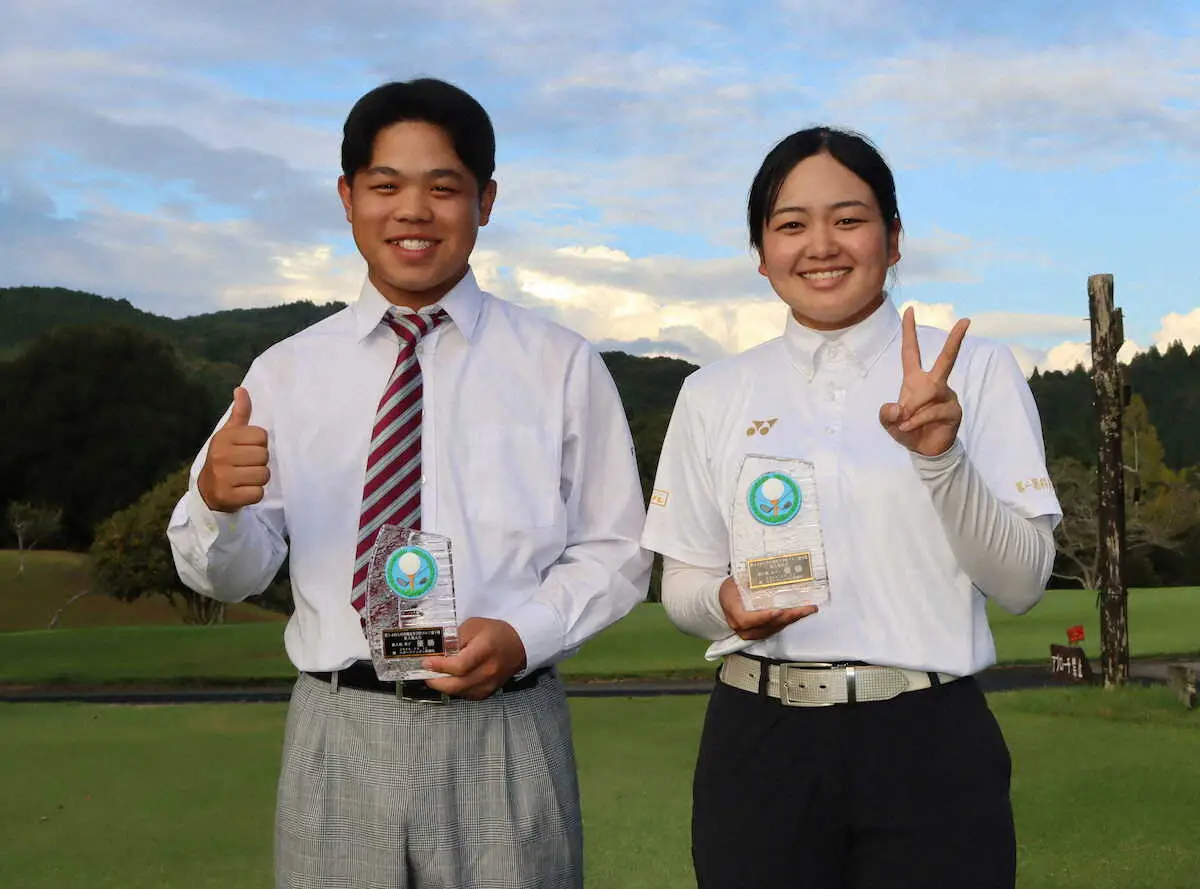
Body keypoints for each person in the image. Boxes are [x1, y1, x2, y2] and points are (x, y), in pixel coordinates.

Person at [167, 78, 651, 889]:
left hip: (505, 727)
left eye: (443, 187)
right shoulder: (283, 374)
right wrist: (218, 507)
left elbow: (617, 551)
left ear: (485, 200)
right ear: (348, 197)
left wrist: (525, 632)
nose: (412, 211)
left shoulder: (561, 365)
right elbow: (232, 572)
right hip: (340, 727)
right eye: (386, 185)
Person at [641, 127, 1060, 889]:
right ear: (761, 252)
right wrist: (726, 603)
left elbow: (1024, 581)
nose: (821, 245)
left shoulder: (977, 369)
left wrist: (940, 455)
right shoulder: (713, 392)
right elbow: (684, 587)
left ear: (894, 239)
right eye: (791, 224)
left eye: (850, 218)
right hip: (759, 736)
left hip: (928, 736)